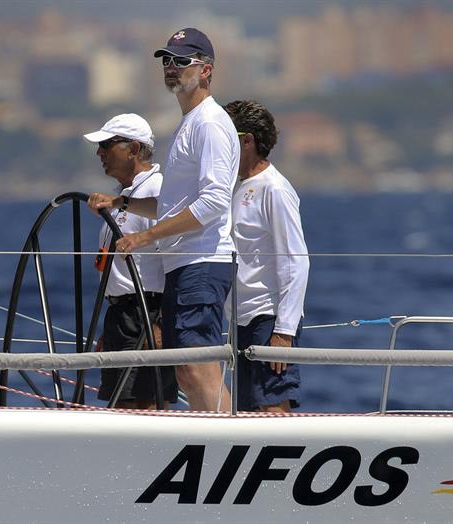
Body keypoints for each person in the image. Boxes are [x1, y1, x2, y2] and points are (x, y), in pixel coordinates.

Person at [88, 28, 239, 411]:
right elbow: (173, 204)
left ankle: (222, 444)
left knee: (197, 367)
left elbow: (214, 203)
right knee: (187, 369)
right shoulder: (190, 123)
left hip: (203, 261)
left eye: (181, 62)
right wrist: (122, 202)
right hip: (184, 263)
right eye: (166, 61)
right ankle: (215, 438)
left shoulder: (209, 123)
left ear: (205, 70)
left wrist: (145, 237)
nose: (171, 68)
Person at [224, 99, 309, 413]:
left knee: (272, 408)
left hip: (268, 317)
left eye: (226, 137)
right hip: (241, 318)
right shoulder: (235, 187)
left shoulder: (274, 189)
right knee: (246, 413)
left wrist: (284, 332)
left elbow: (296, 260)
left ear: (247, 141)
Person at [83, 113, 173, 410]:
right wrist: (111, 330)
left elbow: (175, 258)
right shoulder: (125, 195)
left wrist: (159, 323)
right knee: (124, 403)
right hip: (122, 315)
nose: (100, 153)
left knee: (142, 405)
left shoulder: (157, 189)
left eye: (107, 145)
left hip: (146, 312)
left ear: (134, 149)